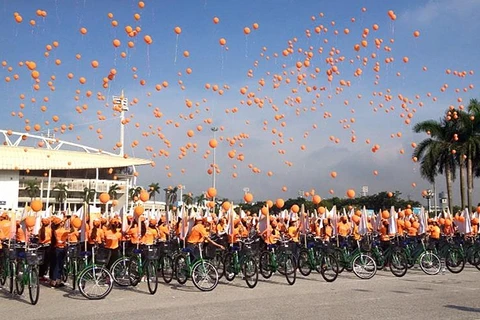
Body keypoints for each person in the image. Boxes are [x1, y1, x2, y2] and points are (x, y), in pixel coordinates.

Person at [52, 217, 69, 288]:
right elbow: (68, 234)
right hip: (62, 248)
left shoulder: (54, 230)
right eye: (61, 222)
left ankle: (53, 280)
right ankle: (57, 281)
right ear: (59, 224)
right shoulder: (63, 231)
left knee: (55, 264)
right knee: (60, 265)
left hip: (56, 248)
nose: (63, 223)